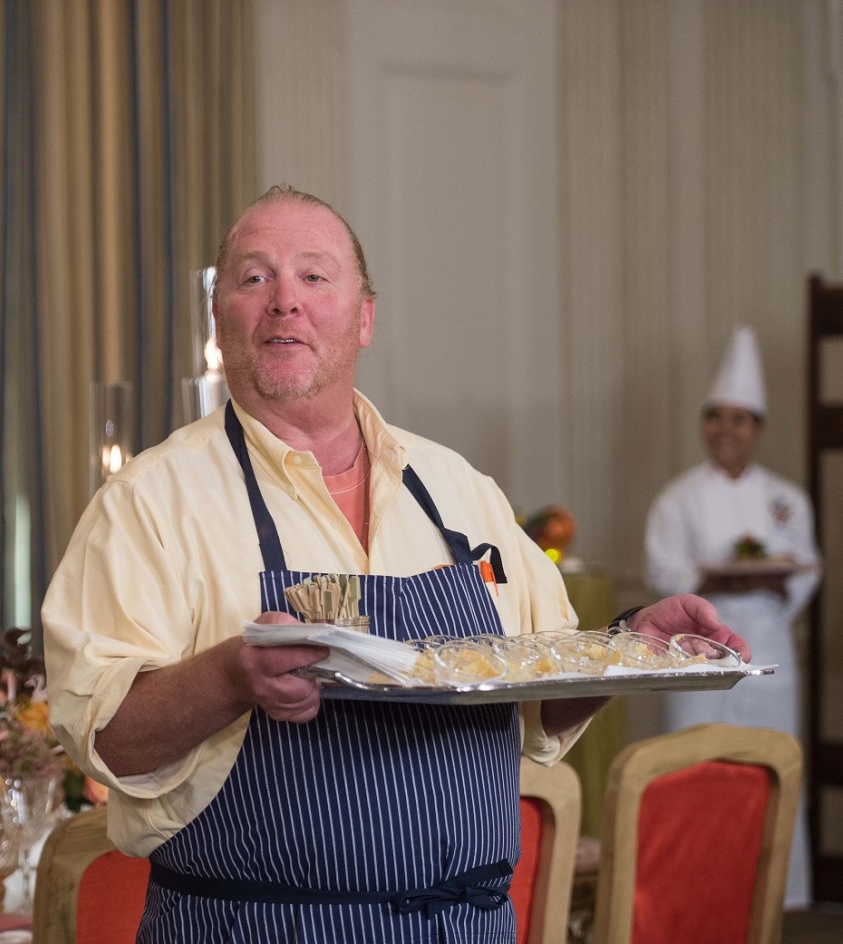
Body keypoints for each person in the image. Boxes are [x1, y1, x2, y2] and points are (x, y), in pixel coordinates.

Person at [43, 185, 748, 942]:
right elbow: (105, 736)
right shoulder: (149, 502)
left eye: (314, 276)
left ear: (365, 318)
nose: (285, 300)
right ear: (220, 319)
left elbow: (542, 700)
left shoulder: (458, 489)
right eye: (254, 277)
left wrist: (630, 645)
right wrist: (230, 676)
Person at [645, 325, 819, 909]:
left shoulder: (787, 499)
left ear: (757, 428)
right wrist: (715, 581)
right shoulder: (677, 497)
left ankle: (775, 897)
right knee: (692, 764)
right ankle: (688, 893)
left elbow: (808, 570)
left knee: (770, 764)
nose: (725, 429)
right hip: (696, 648)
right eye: (715, 417)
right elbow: (662, 572)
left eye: (738, 419)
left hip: (769, 644)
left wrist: (769, 586)